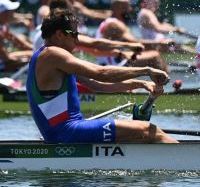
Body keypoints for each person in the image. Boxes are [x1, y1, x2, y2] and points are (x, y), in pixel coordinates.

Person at [26, 9, 176, 143]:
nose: (77, 40)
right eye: (74, 34)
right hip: (68, 132)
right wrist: (147, 71)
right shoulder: (53, 54)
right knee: (149, 130)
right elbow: (101, 73)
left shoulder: (47, 57)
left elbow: (98, 85)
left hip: (66, 132)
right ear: (59, 35)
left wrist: (141, 84)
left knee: (136, 131)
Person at [95, 0, 172, 71]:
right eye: (128, 7)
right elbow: (134, 42)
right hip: (113, 66)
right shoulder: (115, 24)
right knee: (155, 56)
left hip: (111, 62)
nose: (130, 9)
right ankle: (166, 81)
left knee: (145, 53)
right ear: (119, 8)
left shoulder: (109, 21)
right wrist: (160, 43)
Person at [0, 0, 34, 73]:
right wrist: (30, 56)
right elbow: (7, 60)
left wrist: (32, 49)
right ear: (3, 14)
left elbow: (14, 39)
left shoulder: (4, 26)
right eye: (10, 11)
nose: (13, 13)